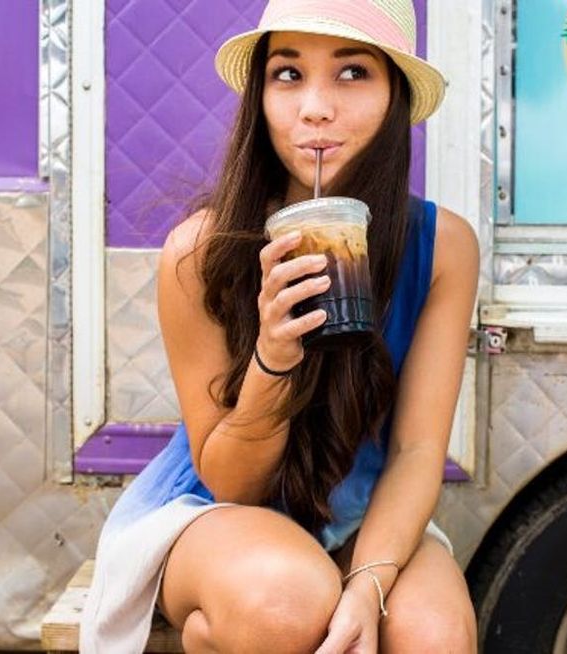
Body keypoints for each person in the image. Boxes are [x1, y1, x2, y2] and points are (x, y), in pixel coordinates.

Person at [80, 1, 479, 652]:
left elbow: (413, 452)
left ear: (395, 98)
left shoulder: (443, 249)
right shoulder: (199, 253)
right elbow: (230, 481)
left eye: (353, 73)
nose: (316, 107)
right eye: (288, 75)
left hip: (362, 508)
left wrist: (367, 585)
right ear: (260, 97)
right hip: (218, 510)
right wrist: (273, 357)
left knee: (433, 635)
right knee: (289, 604)